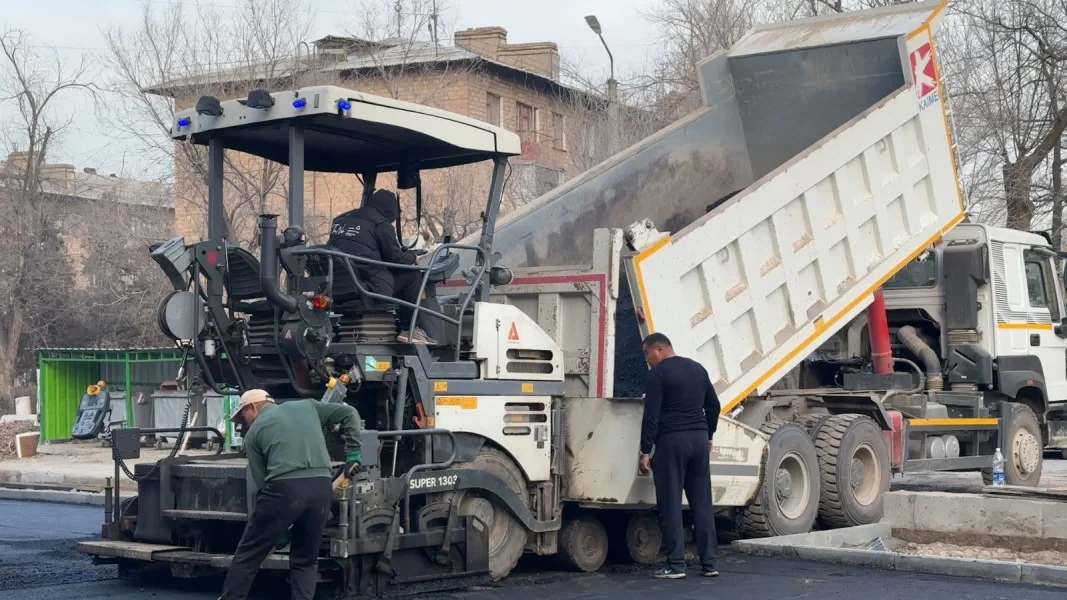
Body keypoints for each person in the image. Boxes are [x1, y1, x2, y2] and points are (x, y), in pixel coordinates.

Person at [218, 389, 363, 600]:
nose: (244, 422)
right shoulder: (308, 406)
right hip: (321, 487)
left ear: (253, 407)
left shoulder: (253, 433)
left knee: (248, 555)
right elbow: (350, 413)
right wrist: (353, 454)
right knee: (305, 559)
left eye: (243, 416)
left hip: (284, 490)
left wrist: (279, 531)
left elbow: (263, 485)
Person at [637, 332, 720, 580]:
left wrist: (645, 451)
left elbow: (651, 416)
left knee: (671, 504)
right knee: (702, 503)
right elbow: (713, 406)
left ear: (659, 349)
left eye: (647, 353)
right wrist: (709, 434)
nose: (647, 359)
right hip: (699, 441)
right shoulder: (698, 369)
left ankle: (676, 565)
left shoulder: (658, 374)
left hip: (672, 442)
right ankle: (710, 563)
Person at [328, 188, 439, 344]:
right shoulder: (380, 224)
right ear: (390, 211)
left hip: (338, 289)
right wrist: (412, 256)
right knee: (412, 275)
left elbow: (360, 248)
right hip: (368, 290)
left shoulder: (340, 221)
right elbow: (397, 260)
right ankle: (409, 330)